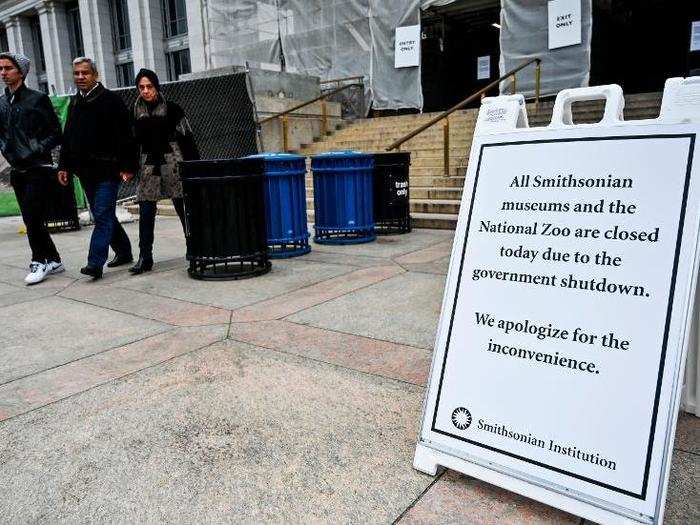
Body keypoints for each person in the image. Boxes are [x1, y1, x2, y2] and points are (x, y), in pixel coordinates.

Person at [58, 57, 136, 280]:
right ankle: (124, 251)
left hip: (108, 170)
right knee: (105, 214)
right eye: (77, 74)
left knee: (101, 214)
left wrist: (128, 166)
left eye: (85, 73)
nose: (80, 77)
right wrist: (64, 165)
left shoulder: (111, 101)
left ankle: (94, 263)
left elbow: (127, 136)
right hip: (85, 172)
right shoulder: (75, 103)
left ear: (95, 75)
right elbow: (68, 137)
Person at [0, 52, 64, 285]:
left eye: (8, 68)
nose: (3, 73)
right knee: (31, 218)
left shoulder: (37, 99)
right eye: (1, 69)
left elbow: (56, 133)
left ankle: (39, 261)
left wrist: (35, 148)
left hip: (39, 167)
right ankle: (54, 259)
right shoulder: (2, 102)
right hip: (18, 169)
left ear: (21, 71)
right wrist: (7, 149)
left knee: (32, 217)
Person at [129, 68, 199, 274]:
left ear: (156, 87)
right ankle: (145, 257)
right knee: (146, 210)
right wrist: (129, 167)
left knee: (183, 208)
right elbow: (131, 142)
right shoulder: (135, 111)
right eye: (141, 87)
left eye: (149, 86)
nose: (145, 91)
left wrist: (194, 166)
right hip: (149, 164)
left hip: (173, 162)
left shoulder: (173, 109)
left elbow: (187, 138)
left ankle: (194, 248)